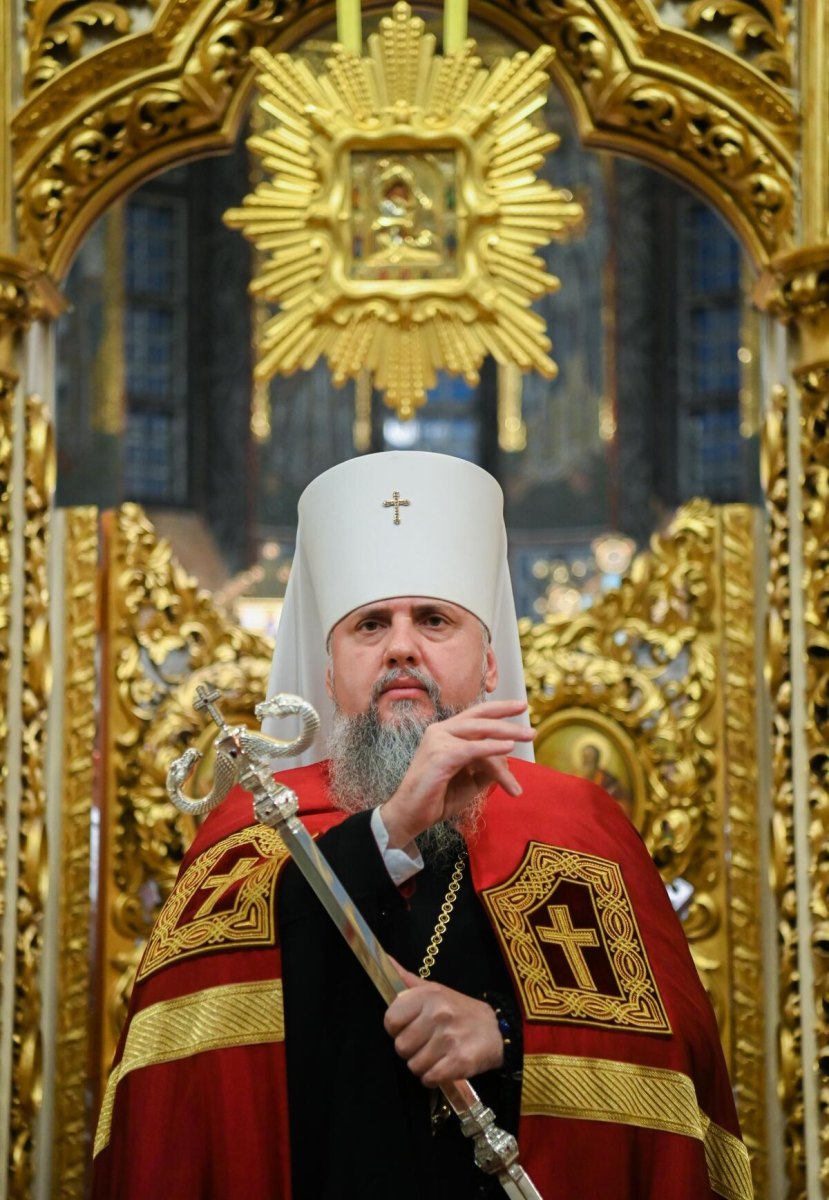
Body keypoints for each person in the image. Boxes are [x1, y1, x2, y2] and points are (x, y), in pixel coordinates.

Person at [91, 452, 752, 1200]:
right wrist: (389, 829)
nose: (401, 646)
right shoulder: (252, 829)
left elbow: (676, 1063)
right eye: (370, 624)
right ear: (330, 673)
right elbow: (185, 1074)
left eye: (434, 620)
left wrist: (505, 1037)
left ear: (490, 664)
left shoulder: (576, 825)